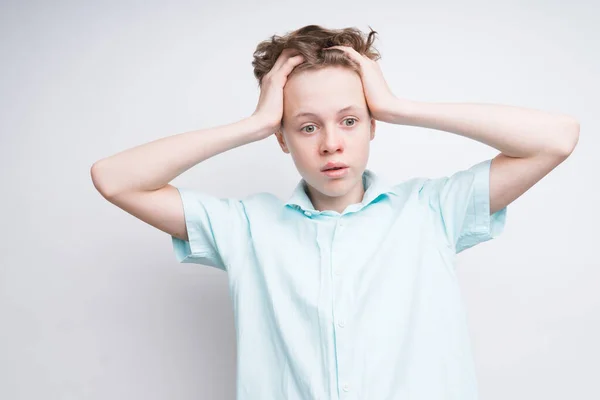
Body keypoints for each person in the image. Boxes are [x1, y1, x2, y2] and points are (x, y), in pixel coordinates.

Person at [91, 24, 579, 400]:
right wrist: (255, 123)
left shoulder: (431, 210)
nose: (331, 143)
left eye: (350, 120)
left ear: (373, 125)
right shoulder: (245, 228)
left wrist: (399, 106)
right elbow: (114, 178)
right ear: (281, 138)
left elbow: (556, 139)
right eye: (306, 127)